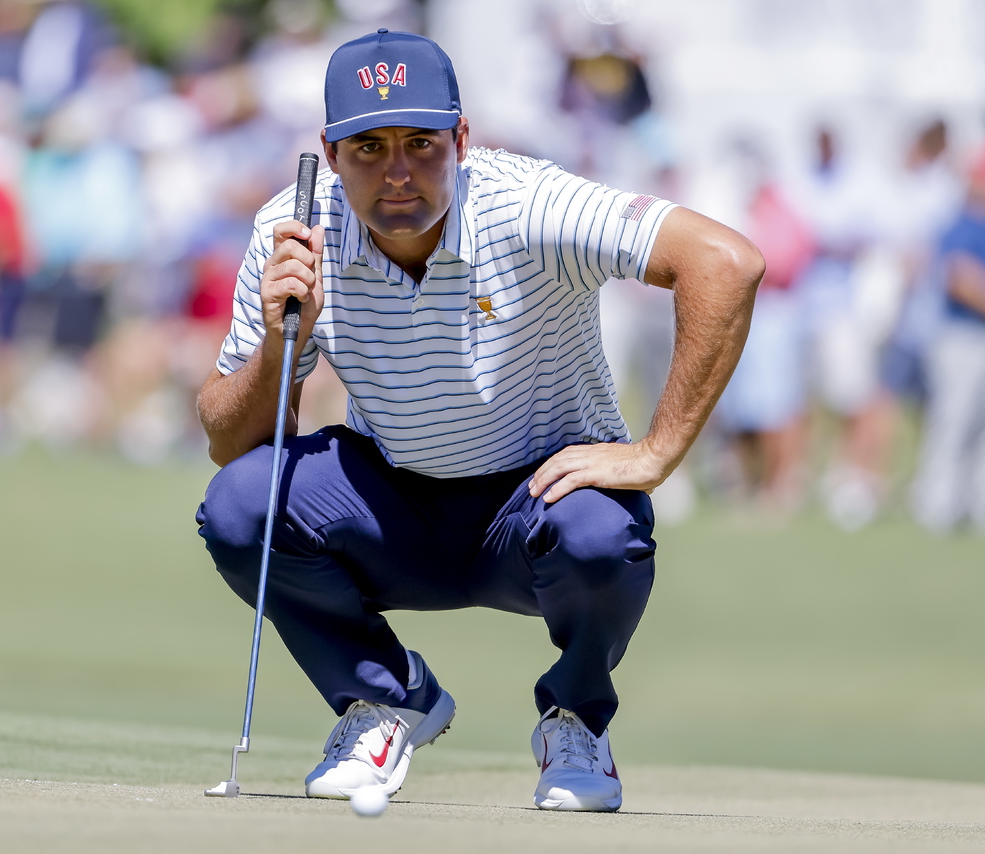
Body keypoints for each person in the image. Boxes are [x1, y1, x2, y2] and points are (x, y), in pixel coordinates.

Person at [194, 30, 763, 812]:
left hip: (538, 503)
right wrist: (278, 345)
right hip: (391, 502)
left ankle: (576, 720)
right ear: (330, 154)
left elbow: (725, 262)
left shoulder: (528, 203)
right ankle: (385, 700)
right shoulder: (293, 231)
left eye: (421, 144)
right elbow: (231, 442)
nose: (397, 172)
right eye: (369, 148)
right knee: (239, 505)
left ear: (462, 139)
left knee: (601, 534)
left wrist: (658, 452)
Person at [911, 141, 985, 534]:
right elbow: (960, 279)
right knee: (954, 420)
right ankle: (939, 505)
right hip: (962, 335)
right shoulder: (960, 225)